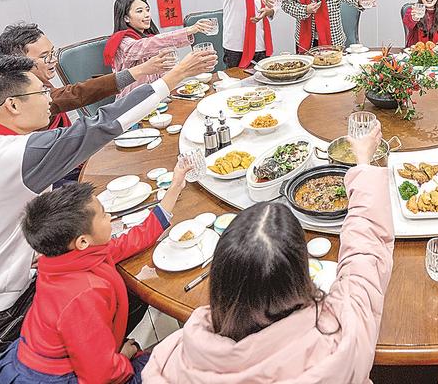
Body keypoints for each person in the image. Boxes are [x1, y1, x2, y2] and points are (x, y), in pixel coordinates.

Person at [0, 50, 217, 356]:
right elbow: (101, 125)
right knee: (126, 281)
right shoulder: (17, 155)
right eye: (41, 92)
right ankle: (109, 359)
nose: (49, 99)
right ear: (12, 105)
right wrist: (175, 76)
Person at [143, 124, 394, 383]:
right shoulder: (341, 337)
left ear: (221, 279)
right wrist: (363, 162)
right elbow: (366, 254)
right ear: (301, 275)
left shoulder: (173, 360)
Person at [0, 163, 189, 384]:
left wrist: (175, 186)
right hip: (59, 378)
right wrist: (125, 355)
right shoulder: (82, 295)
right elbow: (102, 375)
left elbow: (133, 239)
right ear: (82, 241)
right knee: (178, 365)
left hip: (69, 358)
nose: (109, 218)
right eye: (104, 215)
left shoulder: (67, 257)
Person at [0, 22, 171, 130]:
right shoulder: (22, 97)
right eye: (44, 57)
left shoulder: (38, 82)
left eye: (53, 53)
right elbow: (74, 94)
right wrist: (141, 70)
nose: (53, 60)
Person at [104, 0, 213, 96]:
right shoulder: (122, 43)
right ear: (126, 18)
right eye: (140, 11)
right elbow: (146, 46)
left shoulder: (150, 37)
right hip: (132, 100)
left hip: (156, 96)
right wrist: (188, 30)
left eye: (147, 10)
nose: (147, 15)